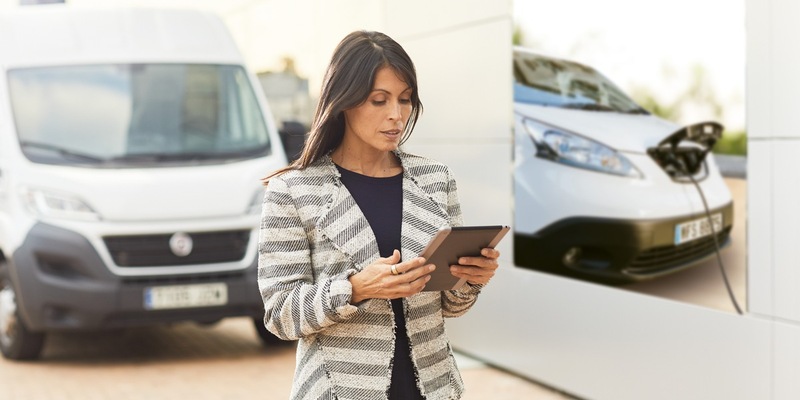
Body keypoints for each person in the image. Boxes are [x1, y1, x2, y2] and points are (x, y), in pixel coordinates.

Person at [257, 30, 500, 400]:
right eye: (378, 100)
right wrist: (356, 289)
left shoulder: (436, 180)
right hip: (340, 390)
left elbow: (452, 307)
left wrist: (470, 280)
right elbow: (279, 314)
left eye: (404, 100)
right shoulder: (293, 191)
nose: (396, 115)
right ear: (344, 101)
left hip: (432, 388)